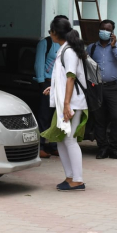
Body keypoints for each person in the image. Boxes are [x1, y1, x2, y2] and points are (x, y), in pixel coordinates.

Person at [41, 17, 88, 191]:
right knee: (61, 140)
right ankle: (70, 177)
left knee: (69, 140)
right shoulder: (65, 49)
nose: (50, 34)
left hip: (73, 102)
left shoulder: (68, 51)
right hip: (67, 102)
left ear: (55, 33)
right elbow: (62, 78)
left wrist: (67, 104)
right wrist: (52, 89)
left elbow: (71, 77)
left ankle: (78, 180)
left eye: (50, 31)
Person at [87, 19, 117, 160]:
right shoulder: (92, 48)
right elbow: (85, 66)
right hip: (96, 88)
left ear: (112, 32)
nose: (104, 32)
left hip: (112, 88)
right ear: (99, 30)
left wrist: (114, 47)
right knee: (99, 119)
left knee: (116, 118)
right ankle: (102, 148)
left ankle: (114, 149)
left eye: (108, 30)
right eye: (102, 29)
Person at [34, 15, 68, 158]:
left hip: (61, 84)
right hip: (47, 83)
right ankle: (40, 146)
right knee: (44, 116)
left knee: (57, 116)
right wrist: (42, 83)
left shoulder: (65, 45)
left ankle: (54, 145)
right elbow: (39, 64)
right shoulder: (46, 43)